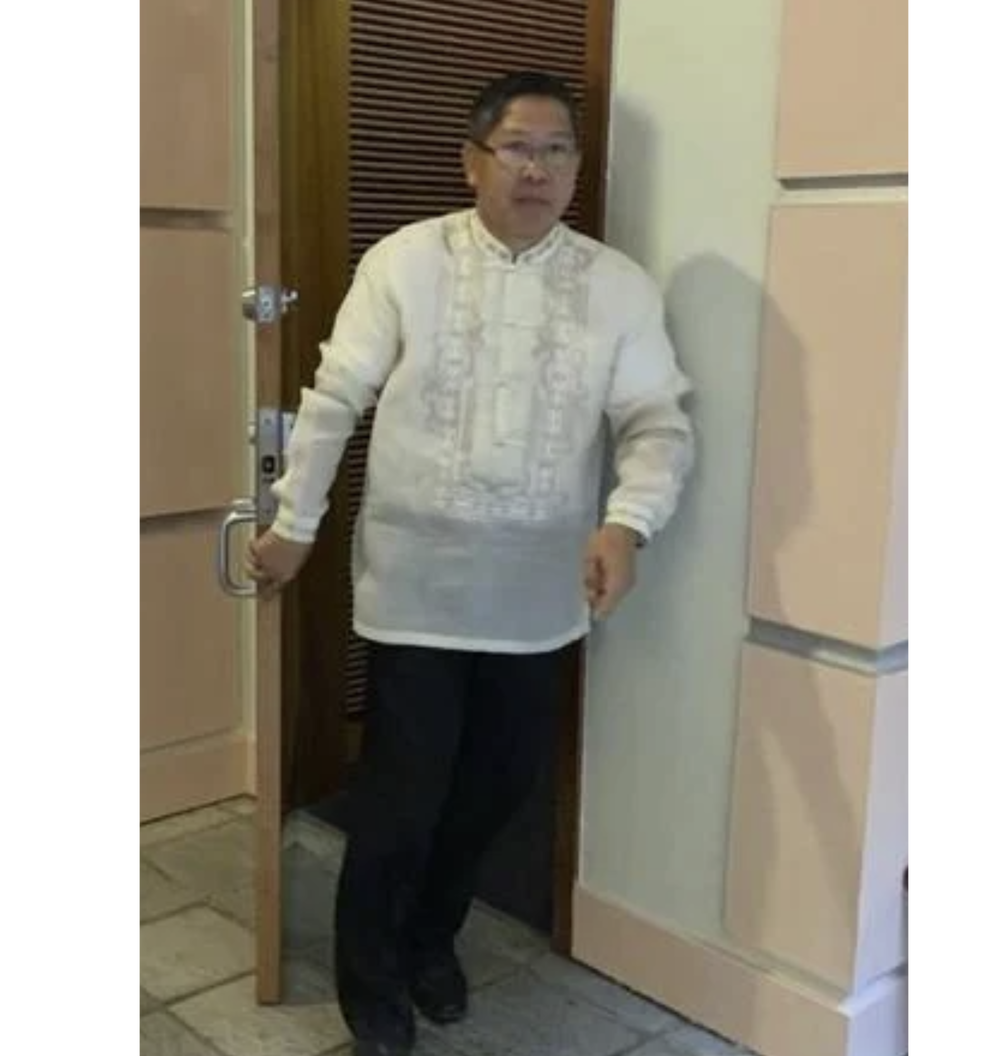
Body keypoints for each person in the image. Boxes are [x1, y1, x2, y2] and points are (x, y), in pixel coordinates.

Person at [245, 69, 695, 1056]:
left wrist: (628, 522)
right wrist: (294, 523)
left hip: (540, 598)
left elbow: (655, 421)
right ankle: (370, 978)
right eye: (517, 148)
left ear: (577, 166)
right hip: (414, 588)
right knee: (401, 798)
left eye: (557, 151)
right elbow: (332, 401)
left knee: (493, 790)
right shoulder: (405, 262)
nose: (537, 169)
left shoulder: (616, 286)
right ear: (472, 160)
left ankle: (429, 942)